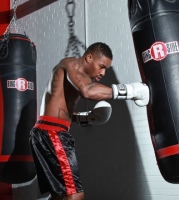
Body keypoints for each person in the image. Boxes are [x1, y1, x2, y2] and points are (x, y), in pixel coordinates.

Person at [29, 42, 149, 200]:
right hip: (52, 133)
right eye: (101, 66)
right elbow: (88, 91)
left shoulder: (72, 75)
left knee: (59, 194)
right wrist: (131, 90)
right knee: (75, 194)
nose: (103, 73)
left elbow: (59, 111)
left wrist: (85, 117)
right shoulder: (71, 64)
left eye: (105, 68)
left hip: (46, 132)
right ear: (89, 57)